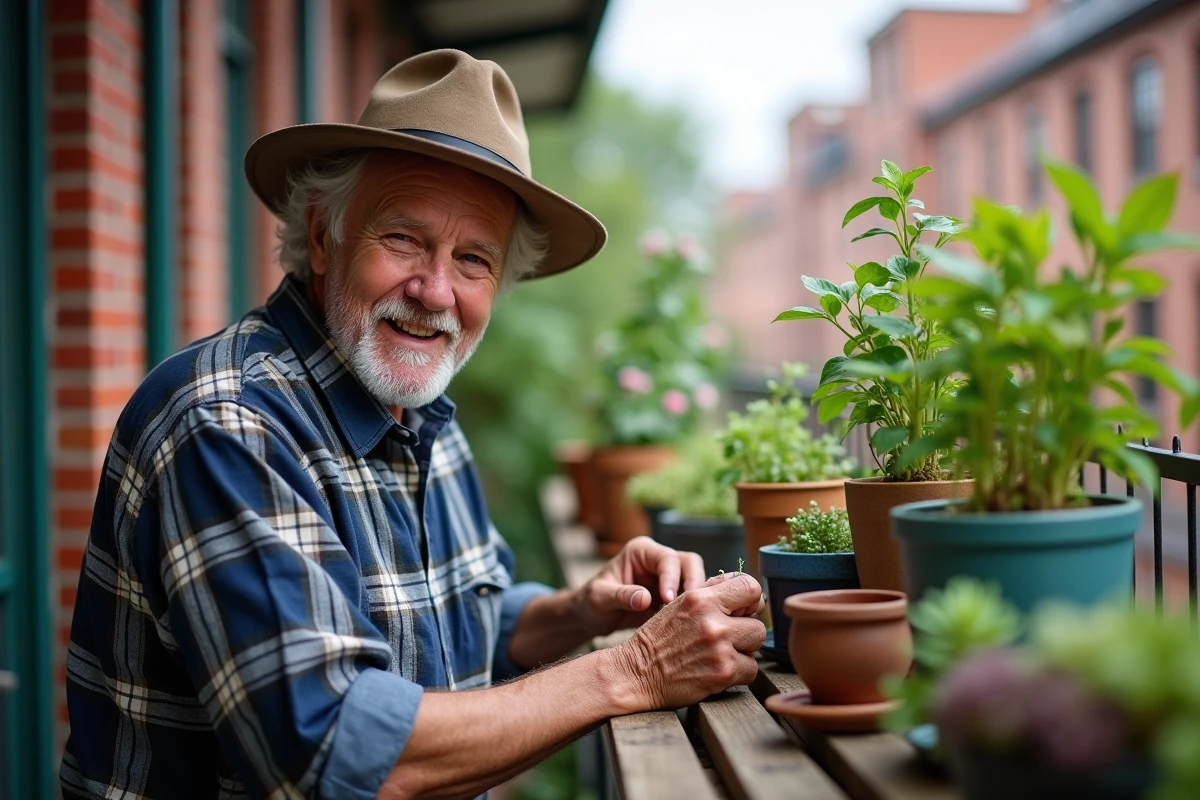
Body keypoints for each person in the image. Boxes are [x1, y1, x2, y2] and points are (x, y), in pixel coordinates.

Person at [61, 49, 765, 800]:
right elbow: (339, 753)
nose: (435, 292)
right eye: (403, 239)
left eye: (473, 260)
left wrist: (583, 609)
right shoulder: (227, 423)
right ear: (325, 236)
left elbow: (460, 625)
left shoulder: (420, 405)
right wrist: (637, 667)